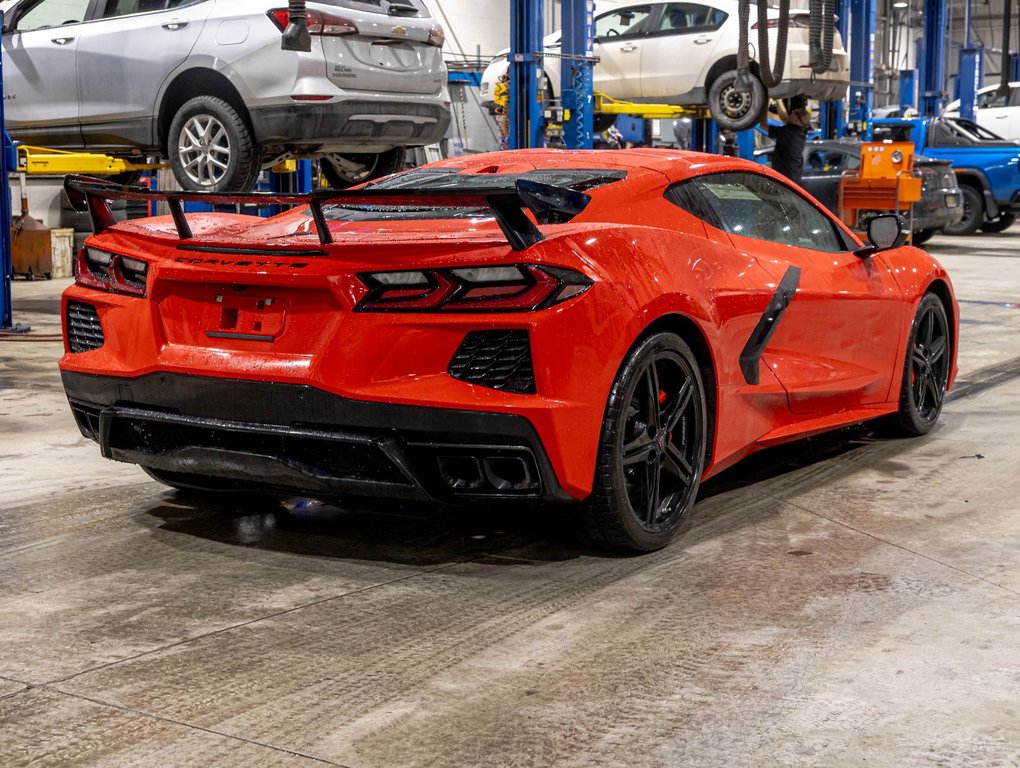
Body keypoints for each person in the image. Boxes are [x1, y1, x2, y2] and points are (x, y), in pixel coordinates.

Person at [761, 97, 811, 183]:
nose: (791, 112)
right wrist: (779, 101)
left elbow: (763, 125)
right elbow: (785, 118)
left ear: (796, 119)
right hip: (793, 176)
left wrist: (765, 104)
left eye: (794, 113)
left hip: (785, 179)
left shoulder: (788, 134)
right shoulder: (801, 129)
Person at [494, 72, 510, 150]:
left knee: (504, 132)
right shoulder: (500, 87)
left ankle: (505, 144)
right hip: (504, 112)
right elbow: (497, 99)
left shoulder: (501, 87)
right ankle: (505, 144)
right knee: (504, 132)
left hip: (505, 112)